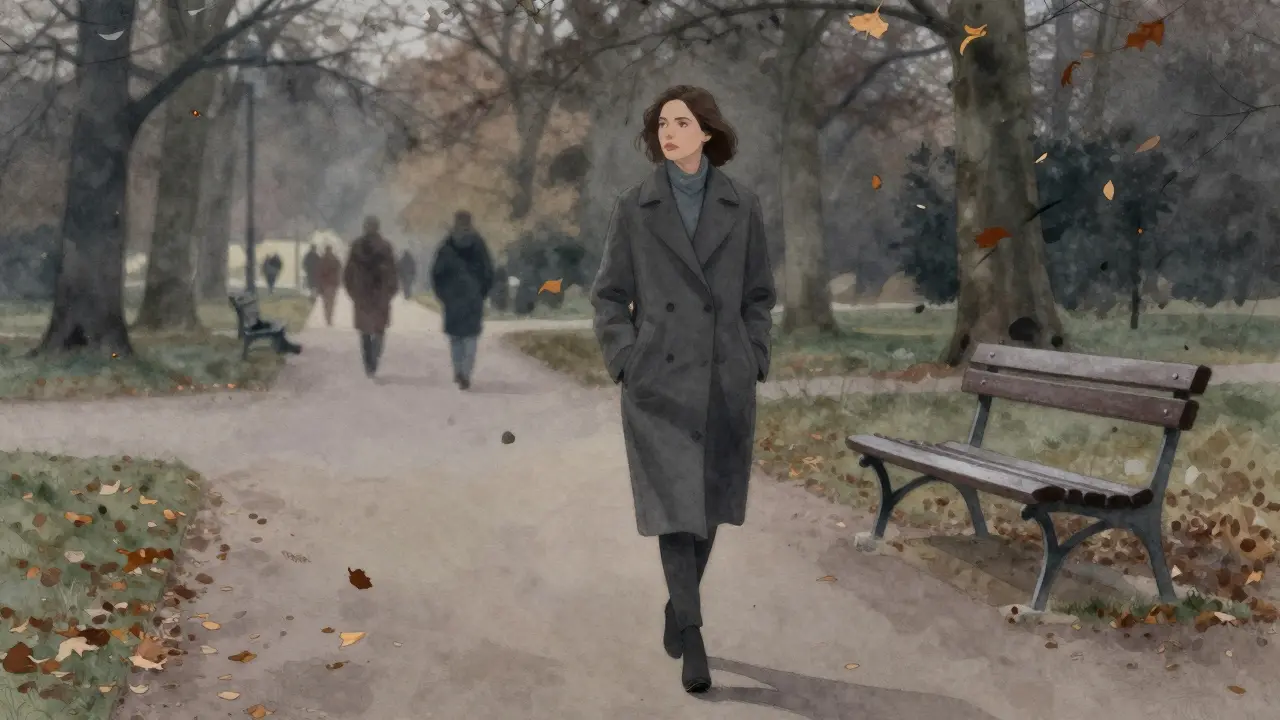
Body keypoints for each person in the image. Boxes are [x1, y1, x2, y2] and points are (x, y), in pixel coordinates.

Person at [589, 85, 776, 694]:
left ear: (707, 132)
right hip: (658, 379)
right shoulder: (634, 206)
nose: (668, 133)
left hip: (724, 376)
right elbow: (609, 295)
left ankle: (678, 605)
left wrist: (754, 356)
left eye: (681, 122)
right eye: (661, 124)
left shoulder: (741, 206)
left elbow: (757, 296)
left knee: (709, 504)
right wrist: (625, 357)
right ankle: (693, 633)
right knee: (675, 506)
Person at [430, 210, 494, 390]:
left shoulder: (446, 246)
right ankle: (466, 373)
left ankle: (458, 371)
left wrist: (443, 295)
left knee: (455, 338)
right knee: (471, 337)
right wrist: (482, 293)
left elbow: (436, 274)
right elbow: (488, 272)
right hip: (473, 298)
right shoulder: (479, 244)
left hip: (452, 299)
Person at [343, 216, 399, 378]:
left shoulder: (356, 247)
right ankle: (373, 361)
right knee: (379, 330)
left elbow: (348, 273)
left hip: (362, 294)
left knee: (365, 331)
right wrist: (390, 292)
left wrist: (352, 292)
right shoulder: (386, 247)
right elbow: (393, 272)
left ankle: (369, 363)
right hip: (380, 294)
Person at [314, 245, 342, 326]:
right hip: (333, 284)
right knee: (331, 302)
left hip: (324, 284)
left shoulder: (322, 260)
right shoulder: (335, 260)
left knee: (325, 302)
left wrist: (318, 283)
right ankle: (329, 318)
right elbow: (339, 271)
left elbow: (318, 272)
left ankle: (327, 318)